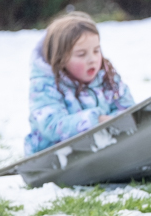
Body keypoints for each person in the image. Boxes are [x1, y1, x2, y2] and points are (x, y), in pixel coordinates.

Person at [24, 11, 135, 155]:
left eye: (96, 51)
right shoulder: (45, 86)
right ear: (60, 58)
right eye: (81, 54)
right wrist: (95, 120)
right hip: (55, 156)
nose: (92, 59)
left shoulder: (106, 77)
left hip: (102, 148)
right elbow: (51, 125)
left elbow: (128, 109)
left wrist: (114, 121)